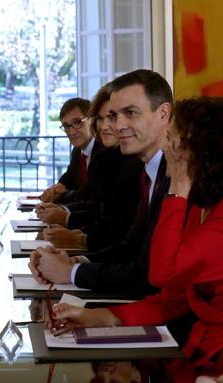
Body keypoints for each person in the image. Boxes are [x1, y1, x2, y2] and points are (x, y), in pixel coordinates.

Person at [48, 97, 223, 379]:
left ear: (202, 148)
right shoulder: (202, 204)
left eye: (173, 139)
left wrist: (178, 185)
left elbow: (161, 273)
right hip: (200, 356)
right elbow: (173, 299)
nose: (166, 147)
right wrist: (96, 317)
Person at [30, 69, 172, 298]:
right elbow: (129, 248)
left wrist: (73, 271)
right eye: (113, 116)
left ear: (163, 114)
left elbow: (146, 275)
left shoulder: (176, 176)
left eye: (131, 113)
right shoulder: (146, 168)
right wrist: (71, 261)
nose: (116, 125)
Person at [36, 84, 142, 251]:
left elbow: (94, 200)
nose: (105, 126)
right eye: (101, 118)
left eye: (77, 122)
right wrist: (58, 191)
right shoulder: (87, 152)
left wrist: (73, 228)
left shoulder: (118, 156)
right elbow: (71, 181)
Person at [40, 97, 103, 203]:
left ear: (92, 120)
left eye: (78, 122)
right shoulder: (77, 151)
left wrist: (64, 194)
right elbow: (68, 178)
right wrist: (54, 190)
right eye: (66, 126)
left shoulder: (104, 151)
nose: (71, 132)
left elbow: (90, 194)